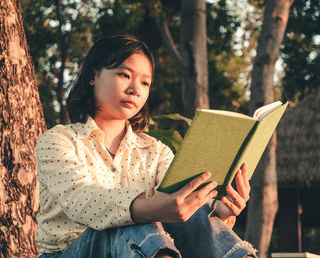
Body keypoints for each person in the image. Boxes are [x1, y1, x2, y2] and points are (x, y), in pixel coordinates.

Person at [36, 33, 257, 258]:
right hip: (70, 253)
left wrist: (220, 210)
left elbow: (183, 210)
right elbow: (82, 201)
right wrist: (146, 208)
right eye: (124, 75)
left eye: (145, 82)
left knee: (181, 211)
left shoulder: (156, 151)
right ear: (93, 75)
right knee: (134, 216)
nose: (135, 89)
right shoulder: (59, 140)